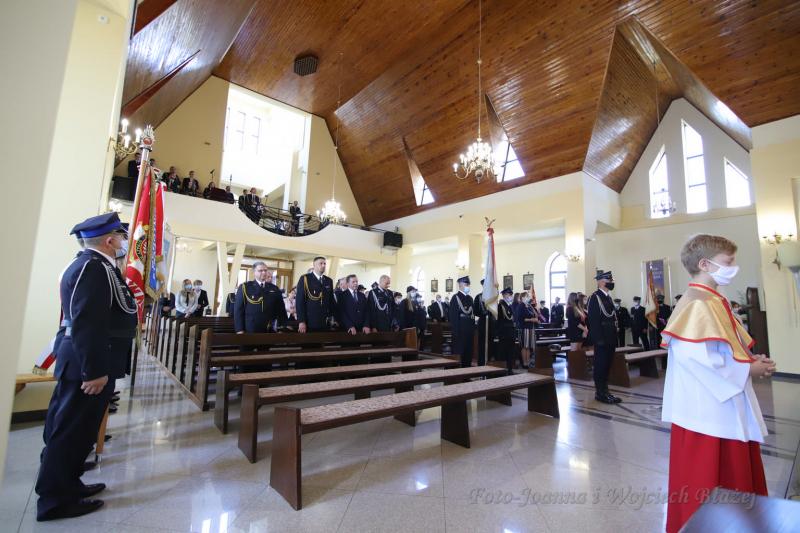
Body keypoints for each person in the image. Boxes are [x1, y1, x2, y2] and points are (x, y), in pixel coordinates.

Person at [661, 234, 774, 533]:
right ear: (704, 264)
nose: (733, 266)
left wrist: (751, 361)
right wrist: (748, 371)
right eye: (728, 261)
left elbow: (725, 349)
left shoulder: (712, 299)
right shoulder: (696, 304)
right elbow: (697, 359)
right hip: (708, 412)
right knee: (712, 484)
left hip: (724, 403)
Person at [36, 212, 137, 521]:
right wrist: (93, 370)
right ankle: (55, 500)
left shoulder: (95, 265)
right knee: (70, 431)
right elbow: (87, 322)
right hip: (87, 363)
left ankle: (70, 483)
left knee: (80, 431)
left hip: (89, 358)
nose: (122, 242)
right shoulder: (92, 268)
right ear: (109, 241)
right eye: (120, 237)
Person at [587, 271, 621, 404]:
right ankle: (600, 392)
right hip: (602, 337)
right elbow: (593, 320)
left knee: (607, 364)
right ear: (601, 282)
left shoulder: (608, 297)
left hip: (610, 336)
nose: (611, 282)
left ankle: (605, 391)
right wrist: (598, 339)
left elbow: (611, 317)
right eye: (609, 280)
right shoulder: (595, 297)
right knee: (600, 365)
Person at [234, 262, 286, 334]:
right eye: (260, 270)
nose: (264, 273)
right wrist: (239, 330)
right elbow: (238, 310)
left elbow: (281, 310)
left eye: (265, 270)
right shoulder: (245, 287)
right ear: (254, 272)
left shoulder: (274, 288)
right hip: (250, 329)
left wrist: (282, 327)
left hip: (269, 329)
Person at [295, 256, 335, 332]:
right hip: (310, 321)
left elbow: (331, 301)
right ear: (314, 265)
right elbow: (300, 302)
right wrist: (301, 321)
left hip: (324, 321)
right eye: (321, 263)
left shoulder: (328, 280)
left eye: (324, 264)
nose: (323, 265)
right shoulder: (305, 278)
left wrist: (333, 317)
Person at [449, 276, 475, 367]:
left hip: (469, 331)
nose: (468, 286)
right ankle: (458, 373)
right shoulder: (455, 298)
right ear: (460, 285)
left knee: (468, 354)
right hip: (460, 331)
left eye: (468, 285)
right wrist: (456, 332)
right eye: (466, 284)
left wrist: (472, 329)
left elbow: (472, 316)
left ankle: (467, 371)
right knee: (459, 354)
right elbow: (453, 317)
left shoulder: (470, 298)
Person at [473, 279, 496, 365]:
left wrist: (490, 313)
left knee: (491, 343)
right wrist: (482, 313)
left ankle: (489, 362)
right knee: (482, 344)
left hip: (491, 323)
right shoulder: (478, 297)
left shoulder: (493, 297)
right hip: (483, 322)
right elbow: (475, 311)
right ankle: (482, 363)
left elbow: (496, 310)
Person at [514, 292, 537, 367]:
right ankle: (524, 363)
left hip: (530, 328)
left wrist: (534, 317)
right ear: (523, 297)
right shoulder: (521, 306)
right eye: (527, 296)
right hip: (523, 328)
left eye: (528, 296)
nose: (528, 298)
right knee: (524, 346)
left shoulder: (529, 306)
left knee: (529, 347)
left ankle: (528, 362)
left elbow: (535, 315)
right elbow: (520, 318)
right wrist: (531, 320)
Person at [496, 288, 517, 374]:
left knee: (510, 352)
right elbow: (499, 320)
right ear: (504, 295)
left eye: (511, 295)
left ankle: (510, 368)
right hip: (504, 333)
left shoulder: (510, 306)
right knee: (503, 352)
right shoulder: (500, 306)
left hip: (511, 332)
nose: (511, 296)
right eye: (509, 295)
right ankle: (503, 369)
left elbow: (512, 319)